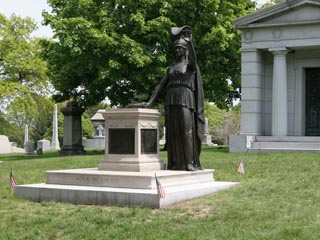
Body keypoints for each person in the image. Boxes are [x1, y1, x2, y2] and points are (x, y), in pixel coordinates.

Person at [128, 26, 205, 171]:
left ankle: (189, 162)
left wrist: (189, 43)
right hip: (171, 99)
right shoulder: (171, 68)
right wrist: (149, 102)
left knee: (186, 131)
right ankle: (175, 162)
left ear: (185, 49)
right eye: (176, 49)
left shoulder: (190, 66)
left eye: (181, 48)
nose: (178, 51)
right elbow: (160, 86)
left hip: (185, 98)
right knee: (173, 132)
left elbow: (194, 60)